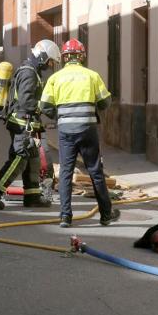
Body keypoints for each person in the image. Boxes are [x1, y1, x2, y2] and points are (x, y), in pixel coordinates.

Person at [39, 38, 120, 228]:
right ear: (82, 56)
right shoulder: (92, 76)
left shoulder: (55, 78)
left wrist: (58, 116)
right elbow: (106, 102)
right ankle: (106, 215)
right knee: (95, 172)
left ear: (65, 58)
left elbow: (44, 105)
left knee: (66, 173)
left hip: (66, 130)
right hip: (87, 130)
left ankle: (65, 217)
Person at [0, 39, 60, 210]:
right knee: (19, 158)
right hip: (22, 124)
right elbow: (26, 101)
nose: (50, 65)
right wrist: (45, 107)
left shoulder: (31, 70)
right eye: (50, 61)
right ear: (42, 56)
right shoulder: (29, 72)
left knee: (33, 159)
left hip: (27, 123)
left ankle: (32, 196)